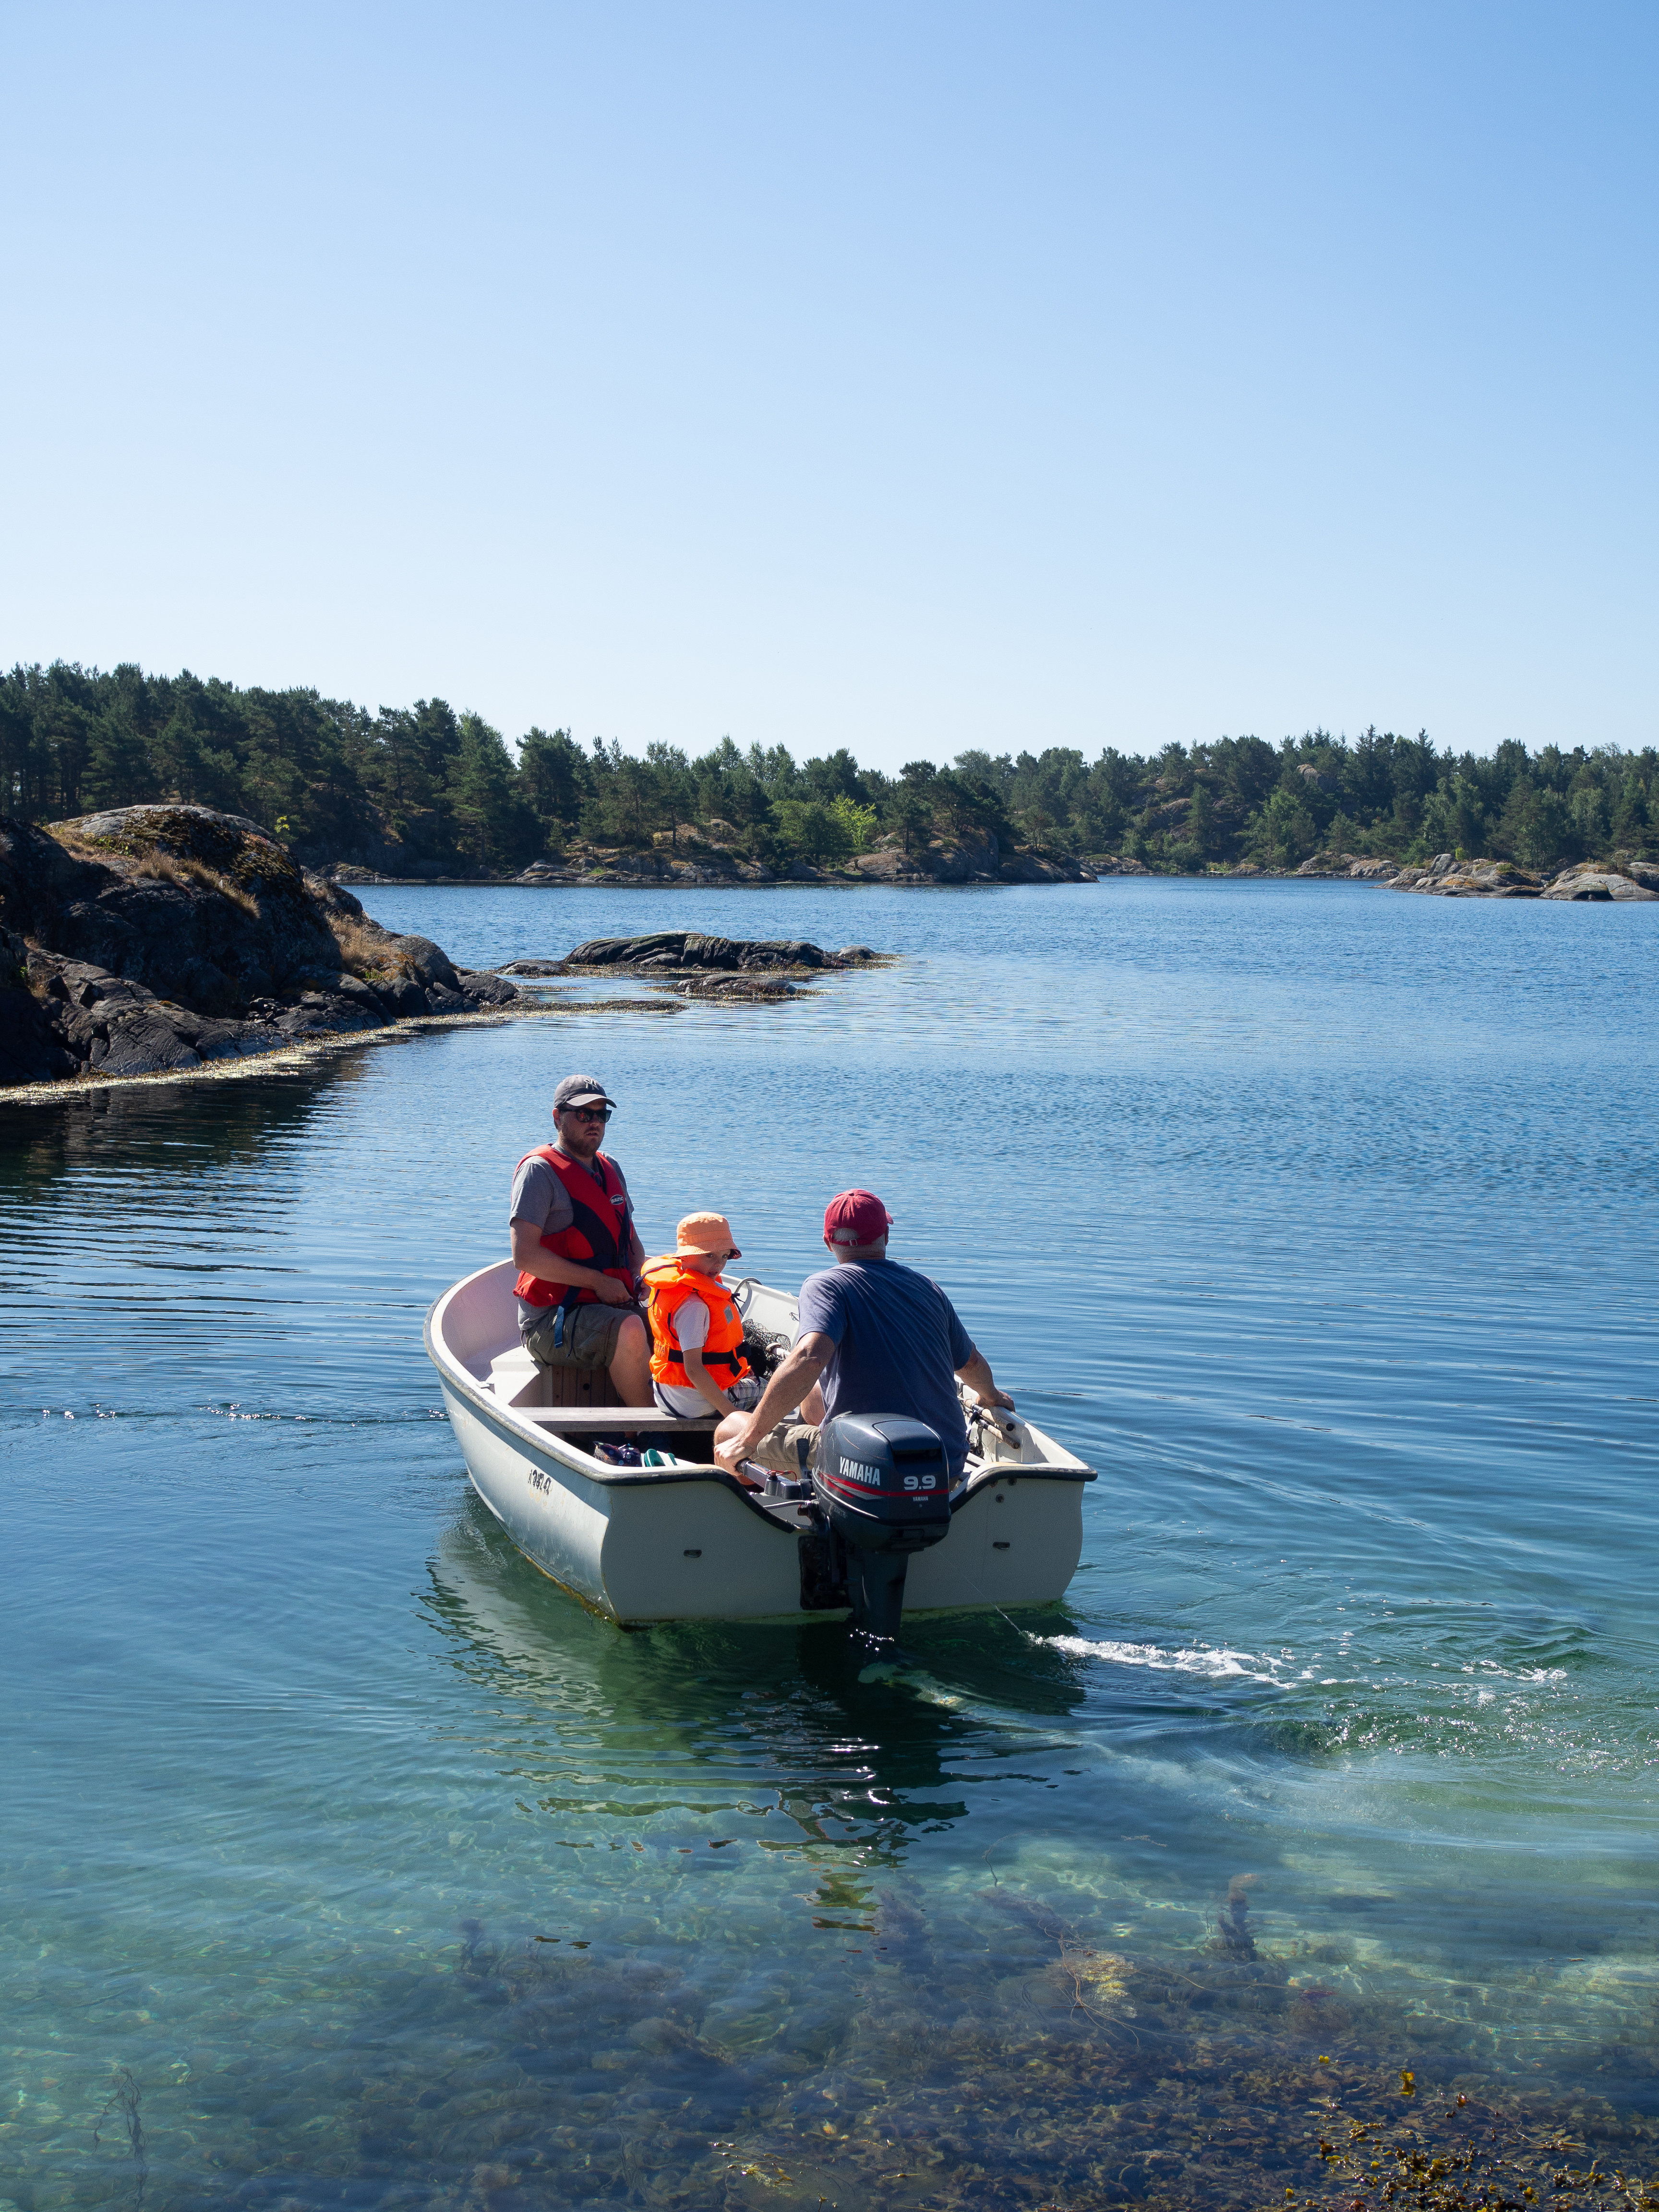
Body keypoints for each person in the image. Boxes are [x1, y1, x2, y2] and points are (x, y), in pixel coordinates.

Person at [713, 1188, 1013, 1481]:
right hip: (945, 1461)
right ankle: (812, 1460)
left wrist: (749, 1440)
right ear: (885, 1236)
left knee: (730, 1430)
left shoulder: (826, 1286)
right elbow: (970, 1364)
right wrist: (993, 1396)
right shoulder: (928, 1288)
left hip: (870, 1463)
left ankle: (794, 1493)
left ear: (828, 1242)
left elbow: (809, 1357)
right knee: (816, 1392)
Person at [508, 1073, 651, 1407]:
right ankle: (652, 1433)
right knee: (631, 1329)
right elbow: (524, 1256)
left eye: (602, 1115)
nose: (594, 1123)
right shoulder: (539, 1172)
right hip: (551, 1321)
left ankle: (700, 1419)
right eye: (584, 1114)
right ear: (558, 1117)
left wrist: (638, 1276)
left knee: (683, 1319)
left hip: (612, 1304)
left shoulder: (611, 1167)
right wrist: (596, 1281)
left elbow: (632, 1243)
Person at [641, 1213, 761, 1418]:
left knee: (748, 1376)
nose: (718, 1265)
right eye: (709, 1256)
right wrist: (730, 1414)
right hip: (694, 1402)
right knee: (769, 1389)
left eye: (724, 1256)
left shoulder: (671, 1287)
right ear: (684, 1256)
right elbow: (694, 1370)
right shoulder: (695, 1307)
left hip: (666, 1392)